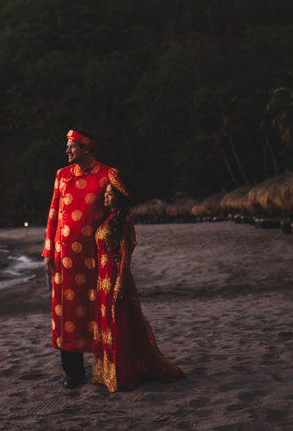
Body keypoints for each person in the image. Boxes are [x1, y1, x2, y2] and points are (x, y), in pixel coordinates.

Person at [92, 172, 185, 392]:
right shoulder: (109, 218)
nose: (105, 197)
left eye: (109, 193)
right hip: (103, 279)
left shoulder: (124, 219)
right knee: (107, 327)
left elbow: (126, 254)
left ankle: (123, 375)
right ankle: (109, 373)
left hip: (116, 278)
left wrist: (120, 285)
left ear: (119, 196)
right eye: (105, 193)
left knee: (120, 327)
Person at [42, 129, 116, 389]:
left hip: (95, 259)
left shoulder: (109, 175)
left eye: (72, 146)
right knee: (67, 315)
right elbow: (53, 215)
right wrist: (48, 251)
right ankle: (73, 374)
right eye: (67, 146)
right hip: (64, 261)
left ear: (86, 148)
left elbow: (117, 217)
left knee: (98, 311)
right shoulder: (62, 175)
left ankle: (105, 368)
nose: (67, 150)